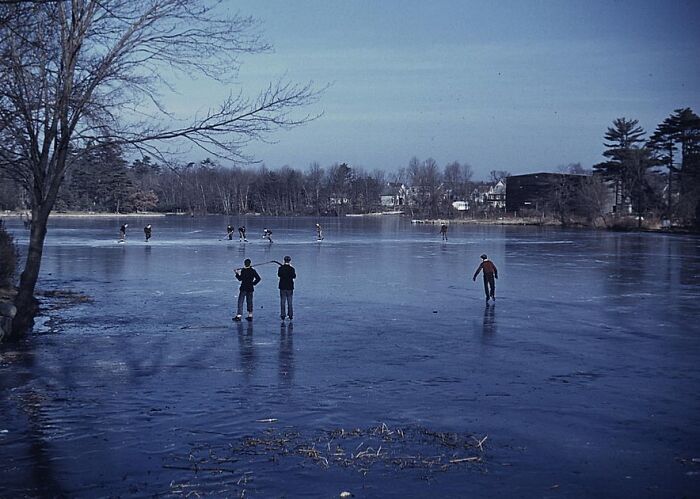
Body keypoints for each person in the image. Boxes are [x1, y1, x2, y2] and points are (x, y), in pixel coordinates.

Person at [278, 255, 296, 321]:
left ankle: (283, 315)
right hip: (290, 287)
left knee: (282, 301)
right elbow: (294, 276)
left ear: (284, 260)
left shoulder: (281, 268)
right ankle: (290, 315)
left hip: (282, 287)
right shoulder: (292, 269)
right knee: (290, 302)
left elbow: (279, 275)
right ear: (289, 261)